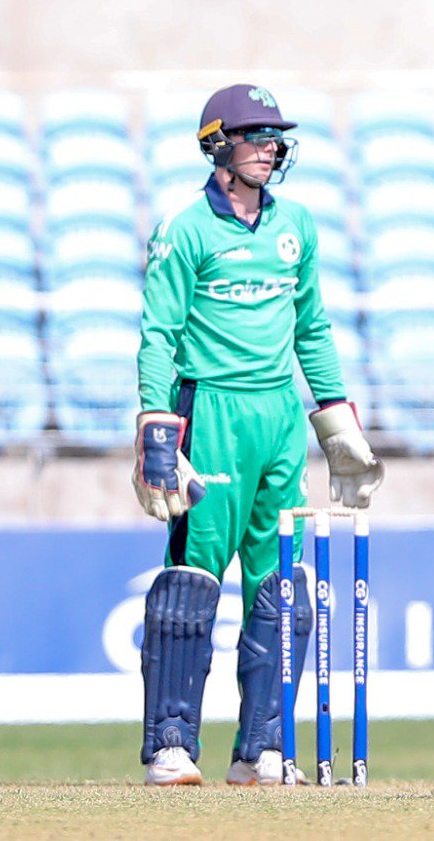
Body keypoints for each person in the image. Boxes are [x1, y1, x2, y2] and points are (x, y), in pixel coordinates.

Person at [133, 83, 384, 786]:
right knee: (192, 582)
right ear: (219, 145)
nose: (271, 148)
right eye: (255, 136)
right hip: (209, 411)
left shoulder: (296, 224)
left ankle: (262, 748)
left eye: (276, 137)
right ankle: (173, 744)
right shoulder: (185, 230)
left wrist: (335, 421)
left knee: (281, 586)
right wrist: (157, 428)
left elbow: (311, 325)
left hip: (277, 419)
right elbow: (159, 333)